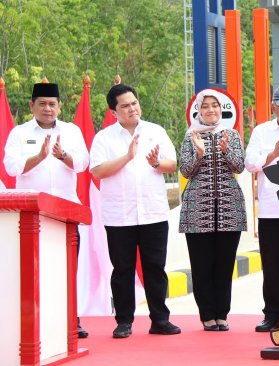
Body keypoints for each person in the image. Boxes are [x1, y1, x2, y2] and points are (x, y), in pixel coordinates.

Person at [90, 84, 180, 338]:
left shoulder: (155, 131)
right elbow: (97, 171)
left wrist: (155, 163)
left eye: (134, 103)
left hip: (153, 212)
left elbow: (172, 163)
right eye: (125, 106)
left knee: (155, 267)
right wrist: (127, 157)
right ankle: (124, 321)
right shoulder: (104, 138)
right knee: (122, 270)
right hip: (119, 216)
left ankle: (160, 320)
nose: (132, 109)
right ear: (113, 111)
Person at [4, 82, 90, 338]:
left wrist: (62, 155)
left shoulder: (72, 131)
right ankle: (35, 322)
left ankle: (70, 320)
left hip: (66, 213)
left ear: (59, 106)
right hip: (31, 215)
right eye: (42, 103)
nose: (47, 109)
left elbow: (83, 163)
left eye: (52, 104)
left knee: (67, 268)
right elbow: (11, 167)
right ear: (32, 106)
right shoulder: (19, 134)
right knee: (33, 269)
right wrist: (39, 157)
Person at [179, 88, 247, 331]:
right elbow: (186, 170)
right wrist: (199, 153)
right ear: (199, 110)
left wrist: (226, 150)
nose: (211, 110)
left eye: (215, 106)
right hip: (198, 209)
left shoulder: (233, 135)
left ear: (221, 109)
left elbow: (239, 167)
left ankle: (222, 314)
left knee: (225, 263)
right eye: (205, 106)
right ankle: (207, 314)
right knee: (201, 264)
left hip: (229, 207)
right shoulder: (190, 136)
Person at [245, 84, 279, 332]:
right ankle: (274, 314)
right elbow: (250, 163)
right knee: (273, 265)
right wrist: (273, 154)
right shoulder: (261, 131)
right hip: (272, 208)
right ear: (274, 107)